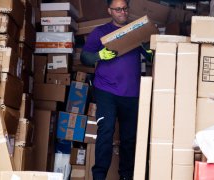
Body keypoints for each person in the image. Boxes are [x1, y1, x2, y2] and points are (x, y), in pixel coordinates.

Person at [80, 0, 152, 179]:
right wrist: (99, 55)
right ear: (109, 11)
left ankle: (126, 176)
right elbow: (84, 57)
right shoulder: (100, 32)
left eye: (125, 8)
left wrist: (148, 49)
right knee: (106, 131)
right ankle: (99, 176)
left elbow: (152, 56)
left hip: (132, 93)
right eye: (118, 9)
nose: (122, 12)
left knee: (129, 138)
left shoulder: (136, 31)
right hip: (106, 90)